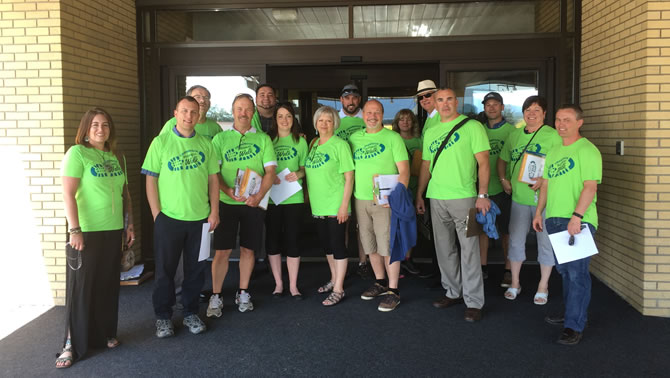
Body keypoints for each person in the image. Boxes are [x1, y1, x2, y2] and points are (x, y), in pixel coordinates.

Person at [56, 108, 135, 368]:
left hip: (113, 231)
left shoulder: (116, 156)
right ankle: (70, 343)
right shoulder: (77, 153)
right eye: (95, 125)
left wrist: (129, 224)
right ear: (86, 129)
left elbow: (126, 194)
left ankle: (104, 334)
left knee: (106, 286)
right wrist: (74, 229)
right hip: (86, 232)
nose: (101, 129)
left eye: (105, 125)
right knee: (81, 288)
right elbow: (68, 194)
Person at [142, 96, 219, 338]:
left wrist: (214, 211)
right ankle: (163, 317)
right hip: (169, 219)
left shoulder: (206, 144)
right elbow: (150, 179)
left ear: (199, 115)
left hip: (200, 219)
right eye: (184, 111)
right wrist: (157, 215)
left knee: (196, 270)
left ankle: (190, 312)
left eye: (193, 112)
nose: (189, 116)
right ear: (175, 113)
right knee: (165, 271)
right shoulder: (161, 141)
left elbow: (213, 180)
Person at [416, 88, 491, 322]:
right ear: (434, 104)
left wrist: (483, 194)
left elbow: (484, 163)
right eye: (440, 100)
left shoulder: (472, 127)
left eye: (449, 99)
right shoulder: (432, 130)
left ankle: (474, 301)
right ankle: (453, 291)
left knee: (469, 249)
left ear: (457, 102)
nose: (445, 103)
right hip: (437, 197)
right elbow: (426, 166)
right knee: (444, 248)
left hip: (465, 197)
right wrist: (420, 194)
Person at [532, 104, 602, 345]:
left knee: (577, 274)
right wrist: (539, 212)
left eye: (567, 120)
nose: (561, 124)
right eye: (559, 119)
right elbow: (546, 185)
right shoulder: (553, 151)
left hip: (577, 221)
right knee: (564, 271)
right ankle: (571, 313)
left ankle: (574, 325)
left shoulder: (587, 150)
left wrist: (577, 217)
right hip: (554, 219)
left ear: (579, 122)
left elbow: (590, 187)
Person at [208, 94, 277, 316]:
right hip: (227, 203)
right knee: (222, 251)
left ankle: (243, 291)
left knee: (249, 249)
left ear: (253, 112)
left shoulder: (263, 139)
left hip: (252, 203)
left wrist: (258, 197)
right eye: (239, 108)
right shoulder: (220, 139)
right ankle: (216, 295)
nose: (243, 113)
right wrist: (227, 190)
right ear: (232, 110)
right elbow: (214, 173)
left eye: (248, 109)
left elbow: (270, 172)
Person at [498, 95, 562, 305]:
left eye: (536, 110)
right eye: (528, 110)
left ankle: (543, 285)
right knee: (516, 241)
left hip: (545, 200)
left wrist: (545, 180)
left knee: (545, 242)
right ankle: (515, 282)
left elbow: (560, 165)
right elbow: (502, 159)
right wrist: (503, 179)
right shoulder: (515, 136)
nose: (531, 113)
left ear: (544, 114)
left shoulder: (553, 136)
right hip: (519, 198)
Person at [351, 100, 409, 311]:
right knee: (370, 244)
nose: (372, 116)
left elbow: (404, 171)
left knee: (388, 245)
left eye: (376, 112)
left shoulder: (393, 138)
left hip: (386, 201)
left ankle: (394, 290)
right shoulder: (354, 138)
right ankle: (380, 282)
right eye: (368, 112)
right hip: (361, 199)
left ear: (382, 114)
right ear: (363, 115)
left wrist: (395, 198)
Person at [305, 106, 354, 306]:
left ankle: (339, 289)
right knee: (327, 246)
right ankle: (334, 279)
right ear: (315, 123)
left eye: (329, 121)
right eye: (321, 120)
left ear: (335, 123)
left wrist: (344, 206)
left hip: (335, 205)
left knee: (338, 246)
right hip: (318, 205)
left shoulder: (340, 145)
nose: (324, 124)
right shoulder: (314, 144)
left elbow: (349, 177)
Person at [265, 102, 308, 299]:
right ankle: (278, 284)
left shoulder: (300, 141)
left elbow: (305, 167)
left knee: (293, 241)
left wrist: (298, 174)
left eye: (288, 116)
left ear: (294, 119)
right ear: (275, 119)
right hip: (272, 199)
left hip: (294, 198)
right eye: (280, 116)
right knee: (273, 241)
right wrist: (268, 176)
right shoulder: (267, 140)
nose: (284, 120)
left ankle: (293, 286)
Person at [334, 83, 371, 278]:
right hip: (340, 179)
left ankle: (364, 262)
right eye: (347, 98)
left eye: (355, 98)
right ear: (341, 100)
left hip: (363, 176)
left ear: (359, 100)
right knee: (343, 223)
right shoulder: (334, 120)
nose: (351, 101)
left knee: (363, 224)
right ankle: (343, 263)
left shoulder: (366, 117)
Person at [478, 92, 515, 285]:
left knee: (506, 231)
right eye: (488, 104)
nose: (491, 108)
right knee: (482, 230)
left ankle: (508, 270)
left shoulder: (512, 131)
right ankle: (482, 267)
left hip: (504, 190)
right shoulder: (478, 130)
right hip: (483, 189)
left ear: (502, 107)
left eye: (495, 104)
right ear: (484, 108)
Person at [391, 109, 422, 275]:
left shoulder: (419, 140)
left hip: (414, 188)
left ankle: (408, 259)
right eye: (401, 119)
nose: (405, 123)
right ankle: (397, 260)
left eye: (408, 120)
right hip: (397, 190)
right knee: (396, 227)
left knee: (411, 226)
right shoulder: (393, 139)